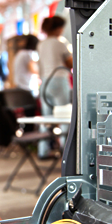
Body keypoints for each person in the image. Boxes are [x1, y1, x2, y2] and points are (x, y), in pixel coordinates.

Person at [37, 16, 73, 159]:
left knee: (46, 119)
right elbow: (70, 63)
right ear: (58, 28)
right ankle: (66, 151)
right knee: (64, 116)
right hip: (59, 81)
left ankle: (43, 151)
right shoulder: (61, 42)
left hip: (45, 82)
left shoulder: (41, 44)